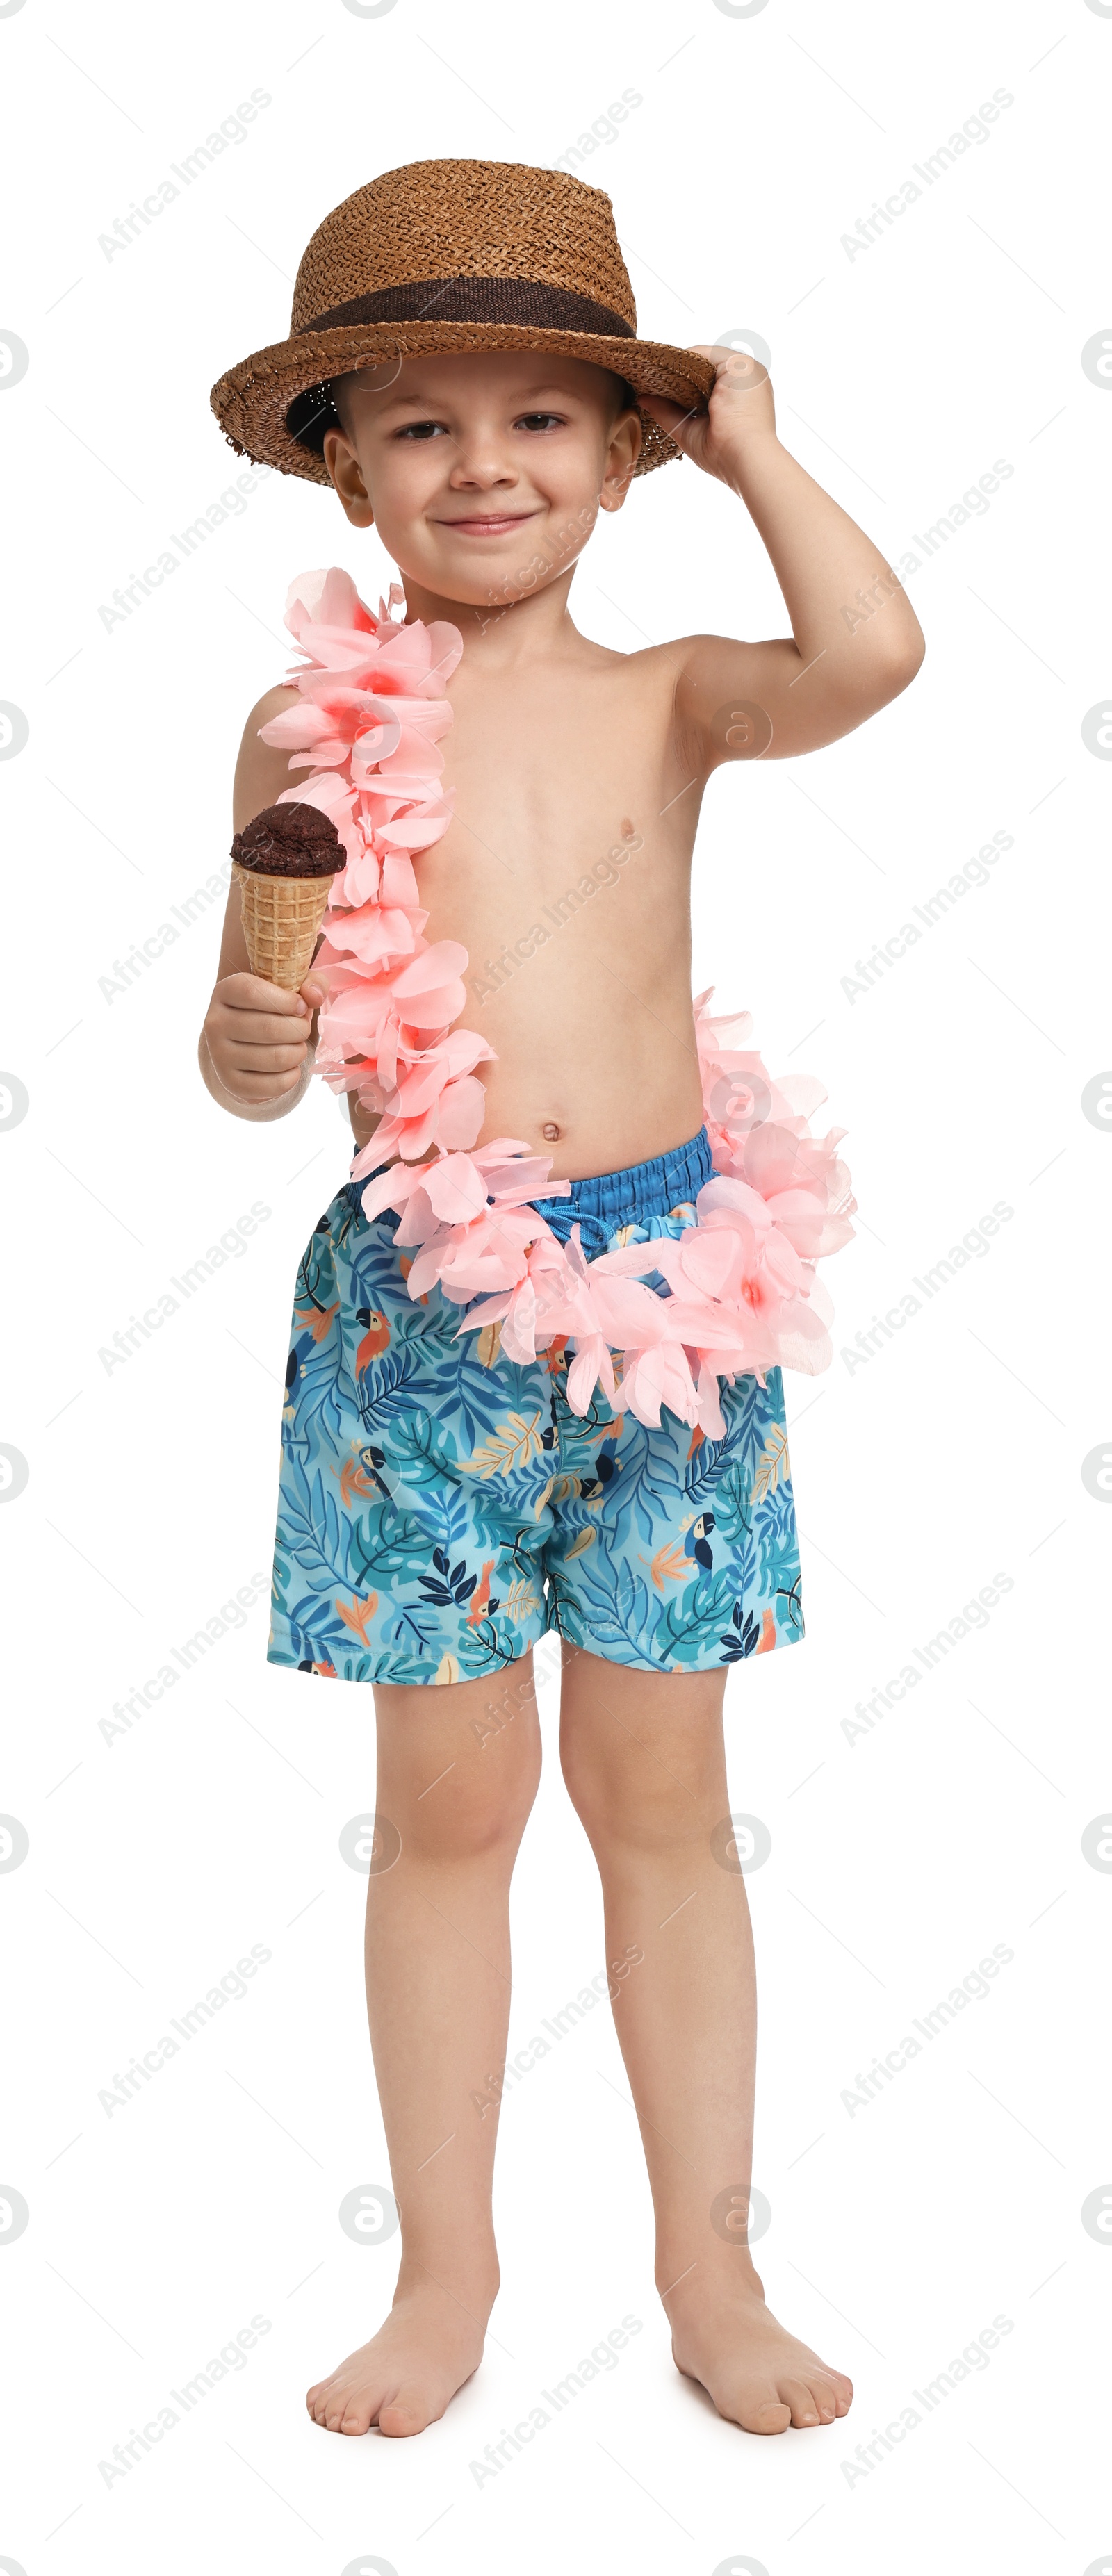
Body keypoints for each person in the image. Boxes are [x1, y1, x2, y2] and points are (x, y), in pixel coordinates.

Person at [202, 158, 924, 2443]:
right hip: (419, 1322)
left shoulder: (674, 696)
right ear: (343, 463)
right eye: (421, 425)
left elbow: (875, 657)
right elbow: (258, 1014)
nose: (484, 465)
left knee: (668, 1798)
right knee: (447, 1804)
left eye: (544, 420)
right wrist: (243, 1043)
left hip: (672, 1311)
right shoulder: (304, 733)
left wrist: (760, 438)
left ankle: (712, 2266)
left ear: (625, 463)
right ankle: (446, 2271)